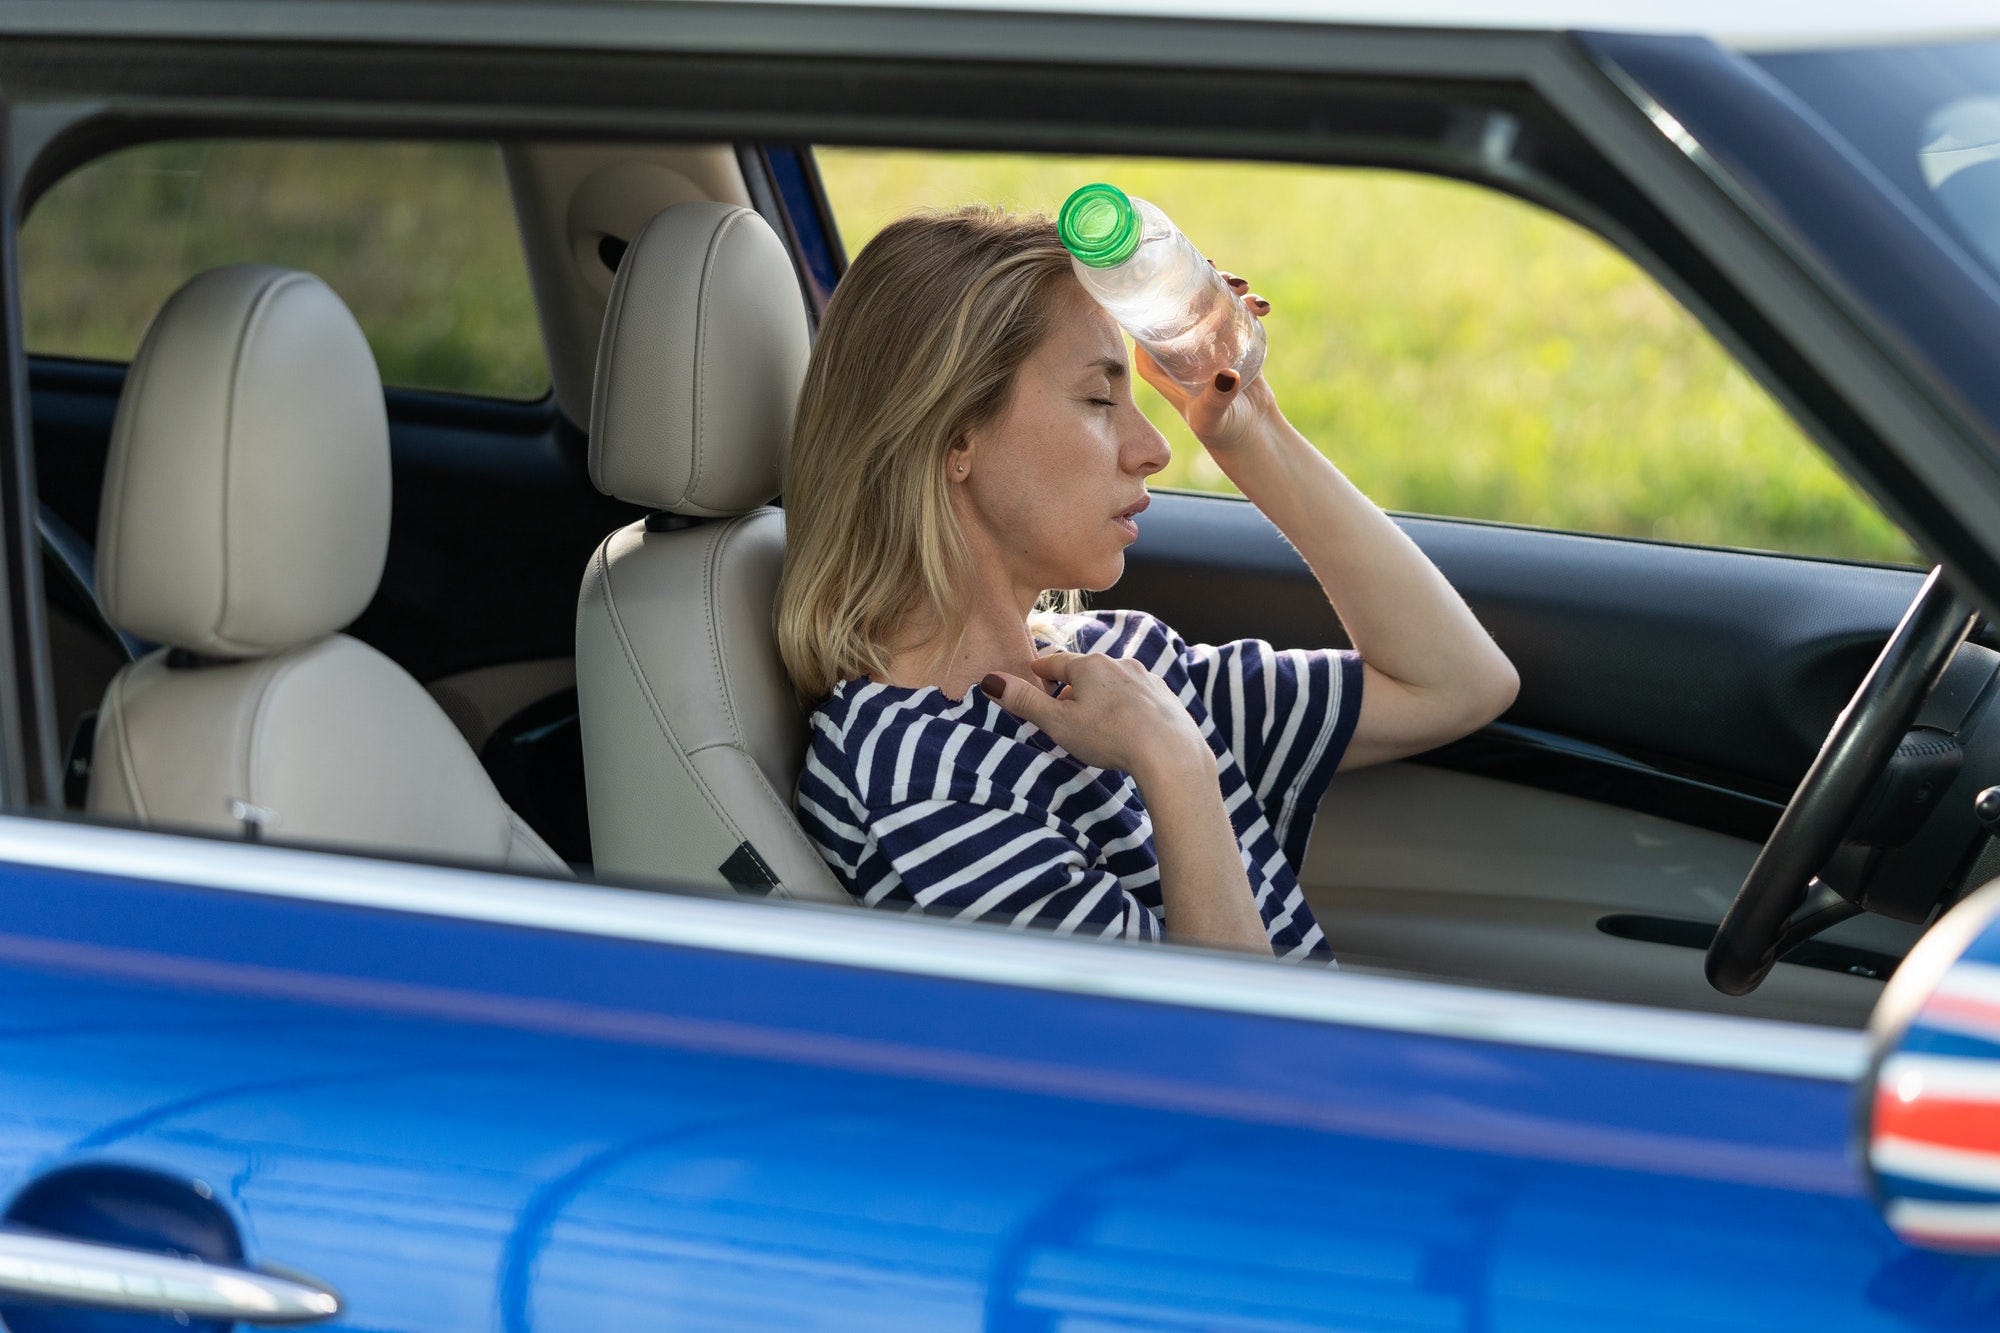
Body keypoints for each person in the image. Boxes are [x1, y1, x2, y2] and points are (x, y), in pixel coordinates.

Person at [777, 206, 1517, 960]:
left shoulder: (1124, 667)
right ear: (954, 436)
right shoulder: (924, 776)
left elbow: (1458, 683)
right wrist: (1175, 765)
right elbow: (1218, 1066)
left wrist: (1253, 429)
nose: (1155, 446)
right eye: (1100, 399)